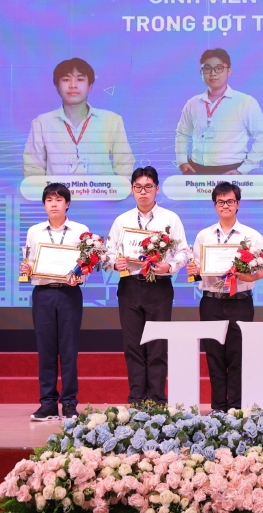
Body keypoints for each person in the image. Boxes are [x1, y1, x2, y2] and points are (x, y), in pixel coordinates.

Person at [106, 166, 188, 404]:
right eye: (138, 187)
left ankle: (158, 398)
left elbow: (182, 251)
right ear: (132, 190)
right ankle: (136, 398)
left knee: (158, 344)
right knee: (133, 344)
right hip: (129, 285)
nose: (143, 192)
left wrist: (169, 267)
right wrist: (115, 263)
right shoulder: (122, 221)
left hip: (159, 287)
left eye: (148, 187)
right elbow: (109, 253)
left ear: (157, 189)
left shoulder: (170, 219)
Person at [187, 182, 263, 412]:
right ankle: (217, 408)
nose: (226, 205)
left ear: (238, 204)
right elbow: (196, 271)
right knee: (214, 356)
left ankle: (235, 407)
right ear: (215, 205)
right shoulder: (204, 235)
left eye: (230, 201)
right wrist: (193, 273)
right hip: (211, 301)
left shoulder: (251, 236)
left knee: (238, 357)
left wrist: (251, 277)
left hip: (240, 303)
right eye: (221, 202)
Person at [21, 182, 88, 421]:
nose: (54, 204)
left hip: (69, 294)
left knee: (69, 350)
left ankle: (69, 403)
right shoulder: (35, 231)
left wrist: (81, 273)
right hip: (43, 294)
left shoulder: (81, 231)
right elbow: (29, 261)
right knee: (46, 350)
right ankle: (47, 403)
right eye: (49, 200)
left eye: (58, 200)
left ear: (67, 204)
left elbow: (86, 264)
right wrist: (26, 268)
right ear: (44, 204)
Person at [23, 57, 135, 176]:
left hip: (100, 193)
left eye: (80, 79)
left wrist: (118, 192)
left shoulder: (111, 120)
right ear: (57, 87)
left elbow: (125, 165)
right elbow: (33, 169)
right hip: (58, 194)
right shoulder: (41, 123)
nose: (73, 85)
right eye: (66, 79)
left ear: (90, 86)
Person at [174, 48, 263, 175]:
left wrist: (243, 169)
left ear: (229, 71)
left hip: (230, 171)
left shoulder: (245, 102)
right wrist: (182, 160)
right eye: (207, 68)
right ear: (201, 72)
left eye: (219, 68)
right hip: (196, 170)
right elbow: (182, 133)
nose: (213, 73)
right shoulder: (193, 103)